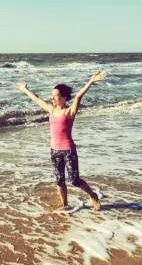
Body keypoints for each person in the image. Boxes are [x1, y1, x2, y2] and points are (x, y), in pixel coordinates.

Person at [18, 72, 107, 211]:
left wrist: (91, 81)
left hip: (68, 150)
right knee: (59, 181)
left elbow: (78, 96)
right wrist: (25, 89)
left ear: (64, 97)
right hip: (54, 150)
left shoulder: (69, 112)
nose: (52, 97)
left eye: (55, 95)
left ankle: (93, 195)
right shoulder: (51, 110)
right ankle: (64, 206)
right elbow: (36, 99)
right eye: (52, 95)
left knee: (75, 180)